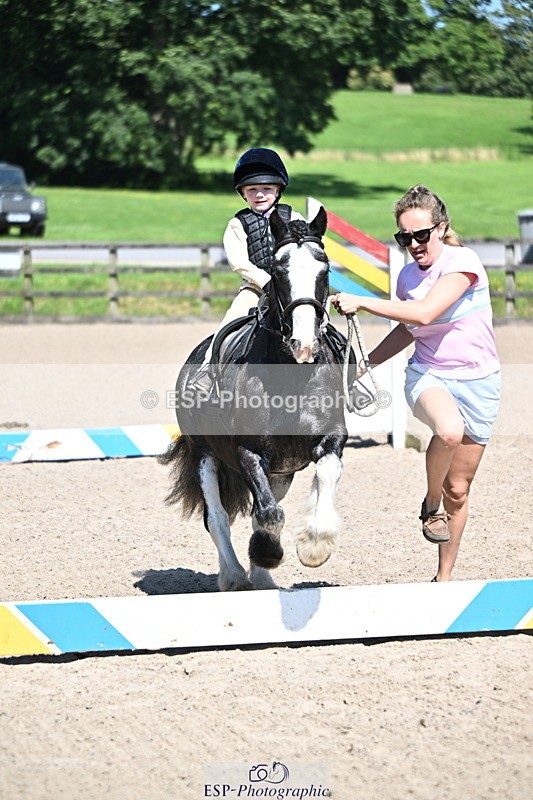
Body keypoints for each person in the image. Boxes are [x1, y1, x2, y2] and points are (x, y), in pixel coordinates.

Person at [331, 184, 501, 582]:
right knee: (448, 430)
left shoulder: (465, 261)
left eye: (421, 235)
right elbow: (410, 330)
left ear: (440, 228)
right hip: (430, 374)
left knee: (458, 489)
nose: (413, 244)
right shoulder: (407, 276)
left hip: (481, 381)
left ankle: (443, 578)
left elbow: (424, 314)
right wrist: (366, 362)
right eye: (404, 237)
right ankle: (430, 502)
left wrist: (362, 300)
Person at [190, 147, 303, 390]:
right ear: (243, 193)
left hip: (293, 288)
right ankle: (208, 373)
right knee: (230, 321)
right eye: (252, 190)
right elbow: (239, 262)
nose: (260, 194)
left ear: (278, 190)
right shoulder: (236, 224)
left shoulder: (294, 216)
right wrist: (267, 283)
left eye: (266, 189)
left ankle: (348, 378)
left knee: (318, 320)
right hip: (255, 289)